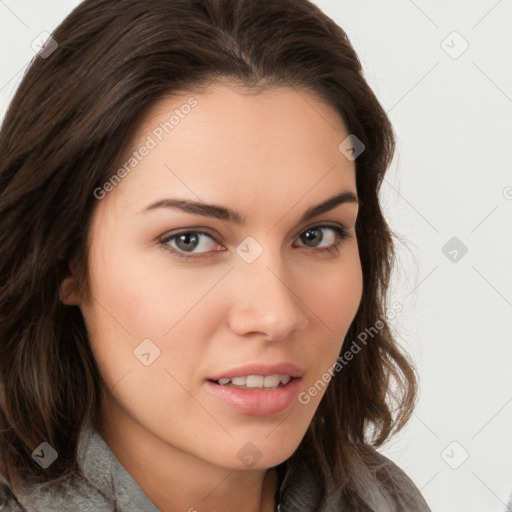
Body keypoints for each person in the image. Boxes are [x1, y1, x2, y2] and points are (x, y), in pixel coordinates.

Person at [0, 0, 432, 511]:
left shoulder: (382, 500)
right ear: (63, 260)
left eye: (316, 235)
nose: (276, 315)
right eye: (191, 240)